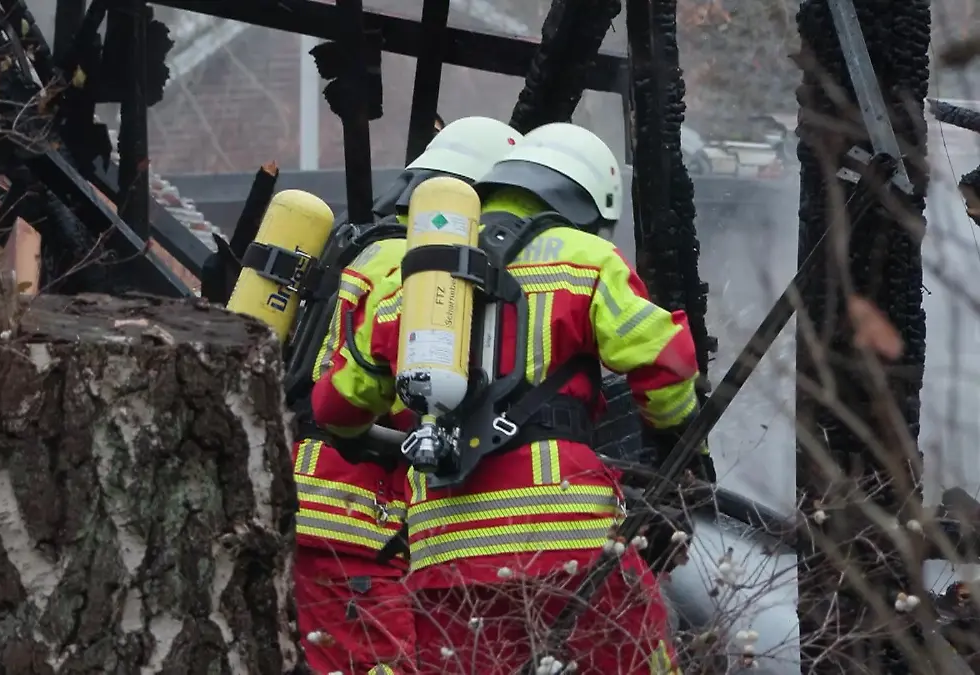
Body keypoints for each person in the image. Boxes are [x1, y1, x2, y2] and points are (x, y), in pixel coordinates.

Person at [311, 122, 712, 673]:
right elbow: (664, 357)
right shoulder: (584, 258)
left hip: (443, 550)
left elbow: (336, 405)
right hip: (564, 528)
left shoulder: (419, 276)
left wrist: (360, 437)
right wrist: (676, 432)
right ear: (590, 204)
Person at [292, 117, 525, 675]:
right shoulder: (423, 271)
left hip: (313, 502)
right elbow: (402, 389)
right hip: (363, 518)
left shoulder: (364, 248)